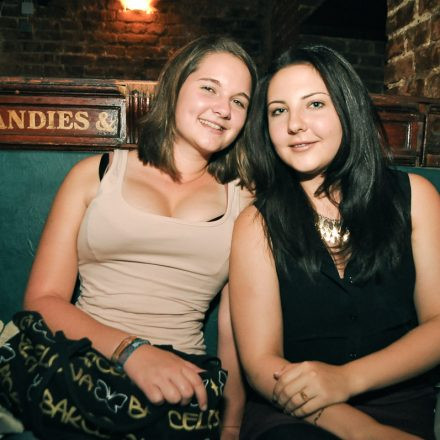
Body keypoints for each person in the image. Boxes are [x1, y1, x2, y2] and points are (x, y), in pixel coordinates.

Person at [14, 35, 257, 439]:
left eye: (239, 101)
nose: (223, 108)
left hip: (183, 383)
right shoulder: (95, 175)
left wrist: (230, 428)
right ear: (175, 87)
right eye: (209, 88)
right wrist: (132, 351)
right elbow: (41, 301)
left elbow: (233, 329)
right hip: (83, 364)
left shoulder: (246, 201)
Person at [229, 44, 440, 440]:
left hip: (398, 403)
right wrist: (360, 430)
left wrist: (347, 379)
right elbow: (260, 363)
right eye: (278, 111)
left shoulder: (415, 198)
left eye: (314, 104)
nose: (295, 124)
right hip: (294, 412)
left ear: (348, 109)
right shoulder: (256, 223)